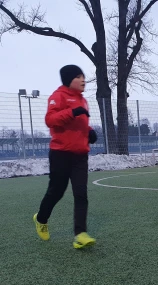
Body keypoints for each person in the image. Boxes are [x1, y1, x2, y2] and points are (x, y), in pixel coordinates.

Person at [33, 65, 98, 248]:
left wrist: (90, 131)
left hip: (80, 155)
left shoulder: (83, 100)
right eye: (78, 77)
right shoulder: (58, 96)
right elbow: (50, 120)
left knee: (81, 194)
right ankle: (41, 218)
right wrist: (72, 112)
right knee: (57, 191)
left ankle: (80, 234)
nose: (83, 80)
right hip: (60, 153)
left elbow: (80, 124)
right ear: (69, 79)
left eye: (83, 76)